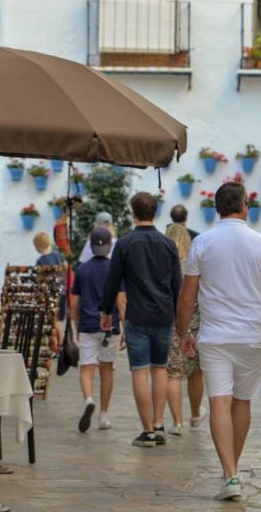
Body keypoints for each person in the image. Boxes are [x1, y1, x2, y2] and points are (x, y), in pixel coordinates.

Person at [176, 181, 261, 501]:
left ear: (216, 208)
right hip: (252, 334)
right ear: (245, 206)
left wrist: (184, 334)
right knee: (242, 402)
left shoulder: (203, 243)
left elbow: (186, 299)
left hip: (215, 335)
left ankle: (230, 474)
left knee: (218, 401)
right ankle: (231, 472)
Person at [100, 192, 182, 448]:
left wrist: (106, 312)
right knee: (160, 369)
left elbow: (112, 281)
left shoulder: (125, 244)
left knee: (140, 371)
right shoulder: (168, 244)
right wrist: (179, 316)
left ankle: (146, 430)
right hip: (164, 314)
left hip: (137, 315)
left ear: (133, 212)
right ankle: (159, 425)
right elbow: (177, 284)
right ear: (155, 213)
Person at [71, 226, 122, 433]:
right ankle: (103, 414)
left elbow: (74, 303)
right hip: (110, 324)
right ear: (110, 246)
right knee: (107, 369)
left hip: (87, 324)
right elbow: (121, 299)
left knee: (87, 367)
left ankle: (89, 399)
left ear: (91, 246)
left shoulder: (82, 269)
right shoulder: (116, 269)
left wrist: (75, 325)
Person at [164, 222, 205, 436]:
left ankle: (177, 422)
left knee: (173, 373)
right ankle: (196, 414)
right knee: (195, 372)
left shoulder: (163, 264)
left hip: (171, 322)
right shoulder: (193, 264)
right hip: (195, 321)